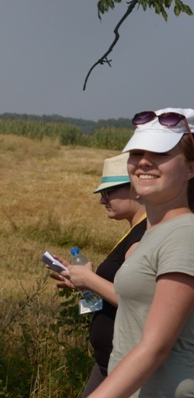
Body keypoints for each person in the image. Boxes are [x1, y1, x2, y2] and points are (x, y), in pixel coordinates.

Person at [89, 108, 194, 398]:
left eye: (160, 154)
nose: (144, 162)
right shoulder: (153, 232)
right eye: (136, 153)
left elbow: (155, 348)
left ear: (190, 168)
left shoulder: (184, 234)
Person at [48, 152, 146, 396]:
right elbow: (120, 290)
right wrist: (84, 283)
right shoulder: (133, 232)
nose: (103, 201)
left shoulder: (143, 236)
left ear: (135, 189)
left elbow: (139, 300)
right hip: (110, 362)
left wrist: (90, 279)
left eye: (108, 193)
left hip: (126, 366)